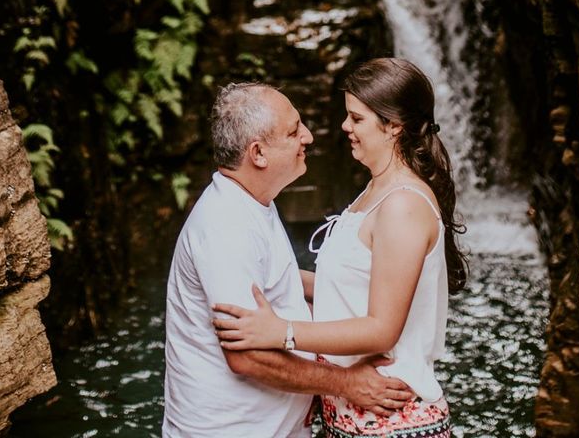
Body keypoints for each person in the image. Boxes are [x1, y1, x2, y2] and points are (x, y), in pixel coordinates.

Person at [213, 59, 465, 438]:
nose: (345, 126)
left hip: (392, 420)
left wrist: (281, 331)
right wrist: (262, 274)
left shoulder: (403, 205)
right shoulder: (376, 190)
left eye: (357, 118)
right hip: (354, 418)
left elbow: (382, 330)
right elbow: (352, 285)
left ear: (394, 125)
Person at [163, 81, 415, 438]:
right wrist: (347, 383)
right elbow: (247, 356)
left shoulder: (253, 202)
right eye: (294, 130)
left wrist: (370, 287)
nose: (309, 137)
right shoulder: (226, 227)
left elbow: (274, 281)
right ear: (258, 154)